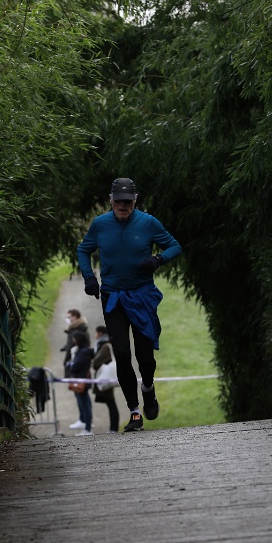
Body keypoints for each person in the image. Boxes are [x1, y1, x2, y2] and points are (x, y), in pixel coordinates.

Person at [77, 177, 182, 432]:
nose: (122, 206)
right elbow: (83, 250)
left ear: (135, 201)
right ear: (111, 200)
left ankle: (148, 388)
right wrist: (89, 277)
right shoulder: (100, 224)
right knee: (122, 353)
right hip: (113, 297)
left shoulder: (148, 223)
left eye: (127, 201)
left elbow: (175, 246)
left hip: (142, 295)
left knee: (145, 357)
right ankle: (135, 412)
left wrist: (158, 259)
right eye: (118, 201)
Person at [60, 308, 91, 430]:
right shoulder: (75, 329)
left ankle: (87, 422)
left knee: (82, 395)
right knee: (78, 394)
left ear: (75, 316)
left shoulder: (78, 330)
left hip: (78, 367)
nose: (67, 319)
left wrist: (68, 362)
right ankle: (83, 419)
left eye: (69, 317)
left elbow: (76, 346)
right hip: (75, 365)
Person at [92, 325, 120, 433]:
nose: (95, 335)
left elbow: (96, 362)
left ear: (100, 333)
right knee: (111, 403)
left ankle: (114, 428)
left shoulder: (105, 346)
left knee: (111, 403)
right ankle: (113, 427)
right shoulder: (104, 344)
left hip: (106, 377)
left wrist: (94, 362)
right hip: (106, 377)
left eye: (95, 332)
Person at [67, 330, 94, 436]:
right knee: (84, 403)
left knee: (85, 405)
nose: (73, 341)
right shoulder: (82, 351)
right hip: (81, 379)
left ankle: (88, 428)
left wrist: (70, 365)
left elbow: (75, 367)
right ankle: (85, 423)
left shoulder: (83, 352)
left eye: (74, 339)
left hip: (81, 380)